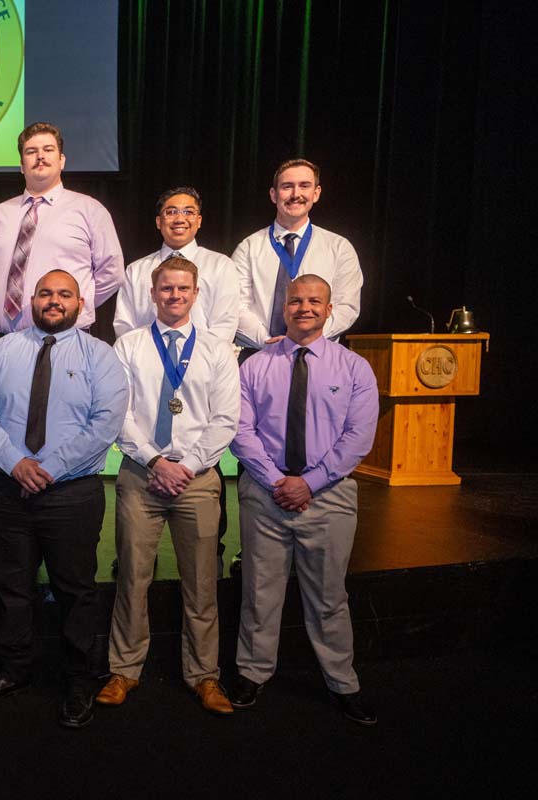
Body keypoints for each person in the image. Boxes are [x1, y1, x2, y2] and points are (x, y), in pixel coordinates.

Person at [0, 269, 127, 729]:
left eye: (64, 294)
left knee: (76, 589)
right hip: (9, 487)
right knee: (12, 587)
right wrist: (17, 462)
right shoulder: (1, 351)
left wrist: (49, 467)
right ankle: (14, 669)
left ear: (80, 303)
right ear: (31, 300)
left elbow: (105, 424)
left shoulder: (101, 356)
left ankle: (79, 679)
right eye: (45, 293)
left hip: (72, 492)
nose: (53, 301)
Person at [229, 275, 379, 726]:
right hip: (266, 493)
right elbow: (240, 430)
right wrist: (279, 480)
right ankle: (253, 674)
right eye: (296, 300)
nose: (304, 307)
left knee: (329, 596)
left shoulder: (354, 369)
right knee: (259, 592)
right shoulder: (255, 366)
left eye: (315, 301)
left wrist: (309, 483)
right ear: (284, 308)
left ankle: (342, 682)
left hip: (328, 497)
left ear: (329, 310)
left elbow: (359, 437)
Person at [97, 258, 239, 716]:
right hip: (141, 475)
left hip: (197, 481)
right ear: (153, 294)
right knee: (132, 580)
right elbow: (120, 413)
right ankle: (124, 670)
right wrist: (156, 460)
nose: (174, 296)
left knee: (202, 584)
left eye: (183, 288)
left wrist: (189, 465)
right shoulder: (129, 346)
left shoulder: (218, 349)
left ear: (196, 293)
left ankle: (204, 676)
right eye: (166, 288)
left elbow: (225, 419)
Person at [0, 122, 124, 334]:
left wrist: (73, 304)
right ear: (21, 164)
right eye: (31, 151)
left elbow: (113, 272)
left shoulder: (89, 210)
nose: (40, 156)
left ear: (61, 160)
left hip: (67, 336)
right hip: (6, 340)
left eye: (48, 150)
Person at [232, 159, 362, 356]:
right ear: (273, 195)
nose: (296, 194)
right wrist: (268, 342)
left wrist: (309, 339)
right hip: (260, 354)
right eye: (287, 187)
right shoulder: (248, 248)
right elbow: (236, 305)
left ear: (316, 193)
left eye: (304, 186)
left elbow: (346, 307)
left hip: (320, 355)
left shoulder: (339, 248)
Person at [113, 187, 239, 341]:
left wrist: (200, 358)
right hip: (146, 361)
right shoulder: (136, 270)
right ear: (159, 222)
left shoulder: (220, 265)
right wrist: (144, 357)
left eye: (188, 212)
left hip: (205, 361)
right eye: (171, 212)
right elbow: (125, 325)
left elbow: (225, 324)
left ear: (199, 221)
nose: (179, 219)